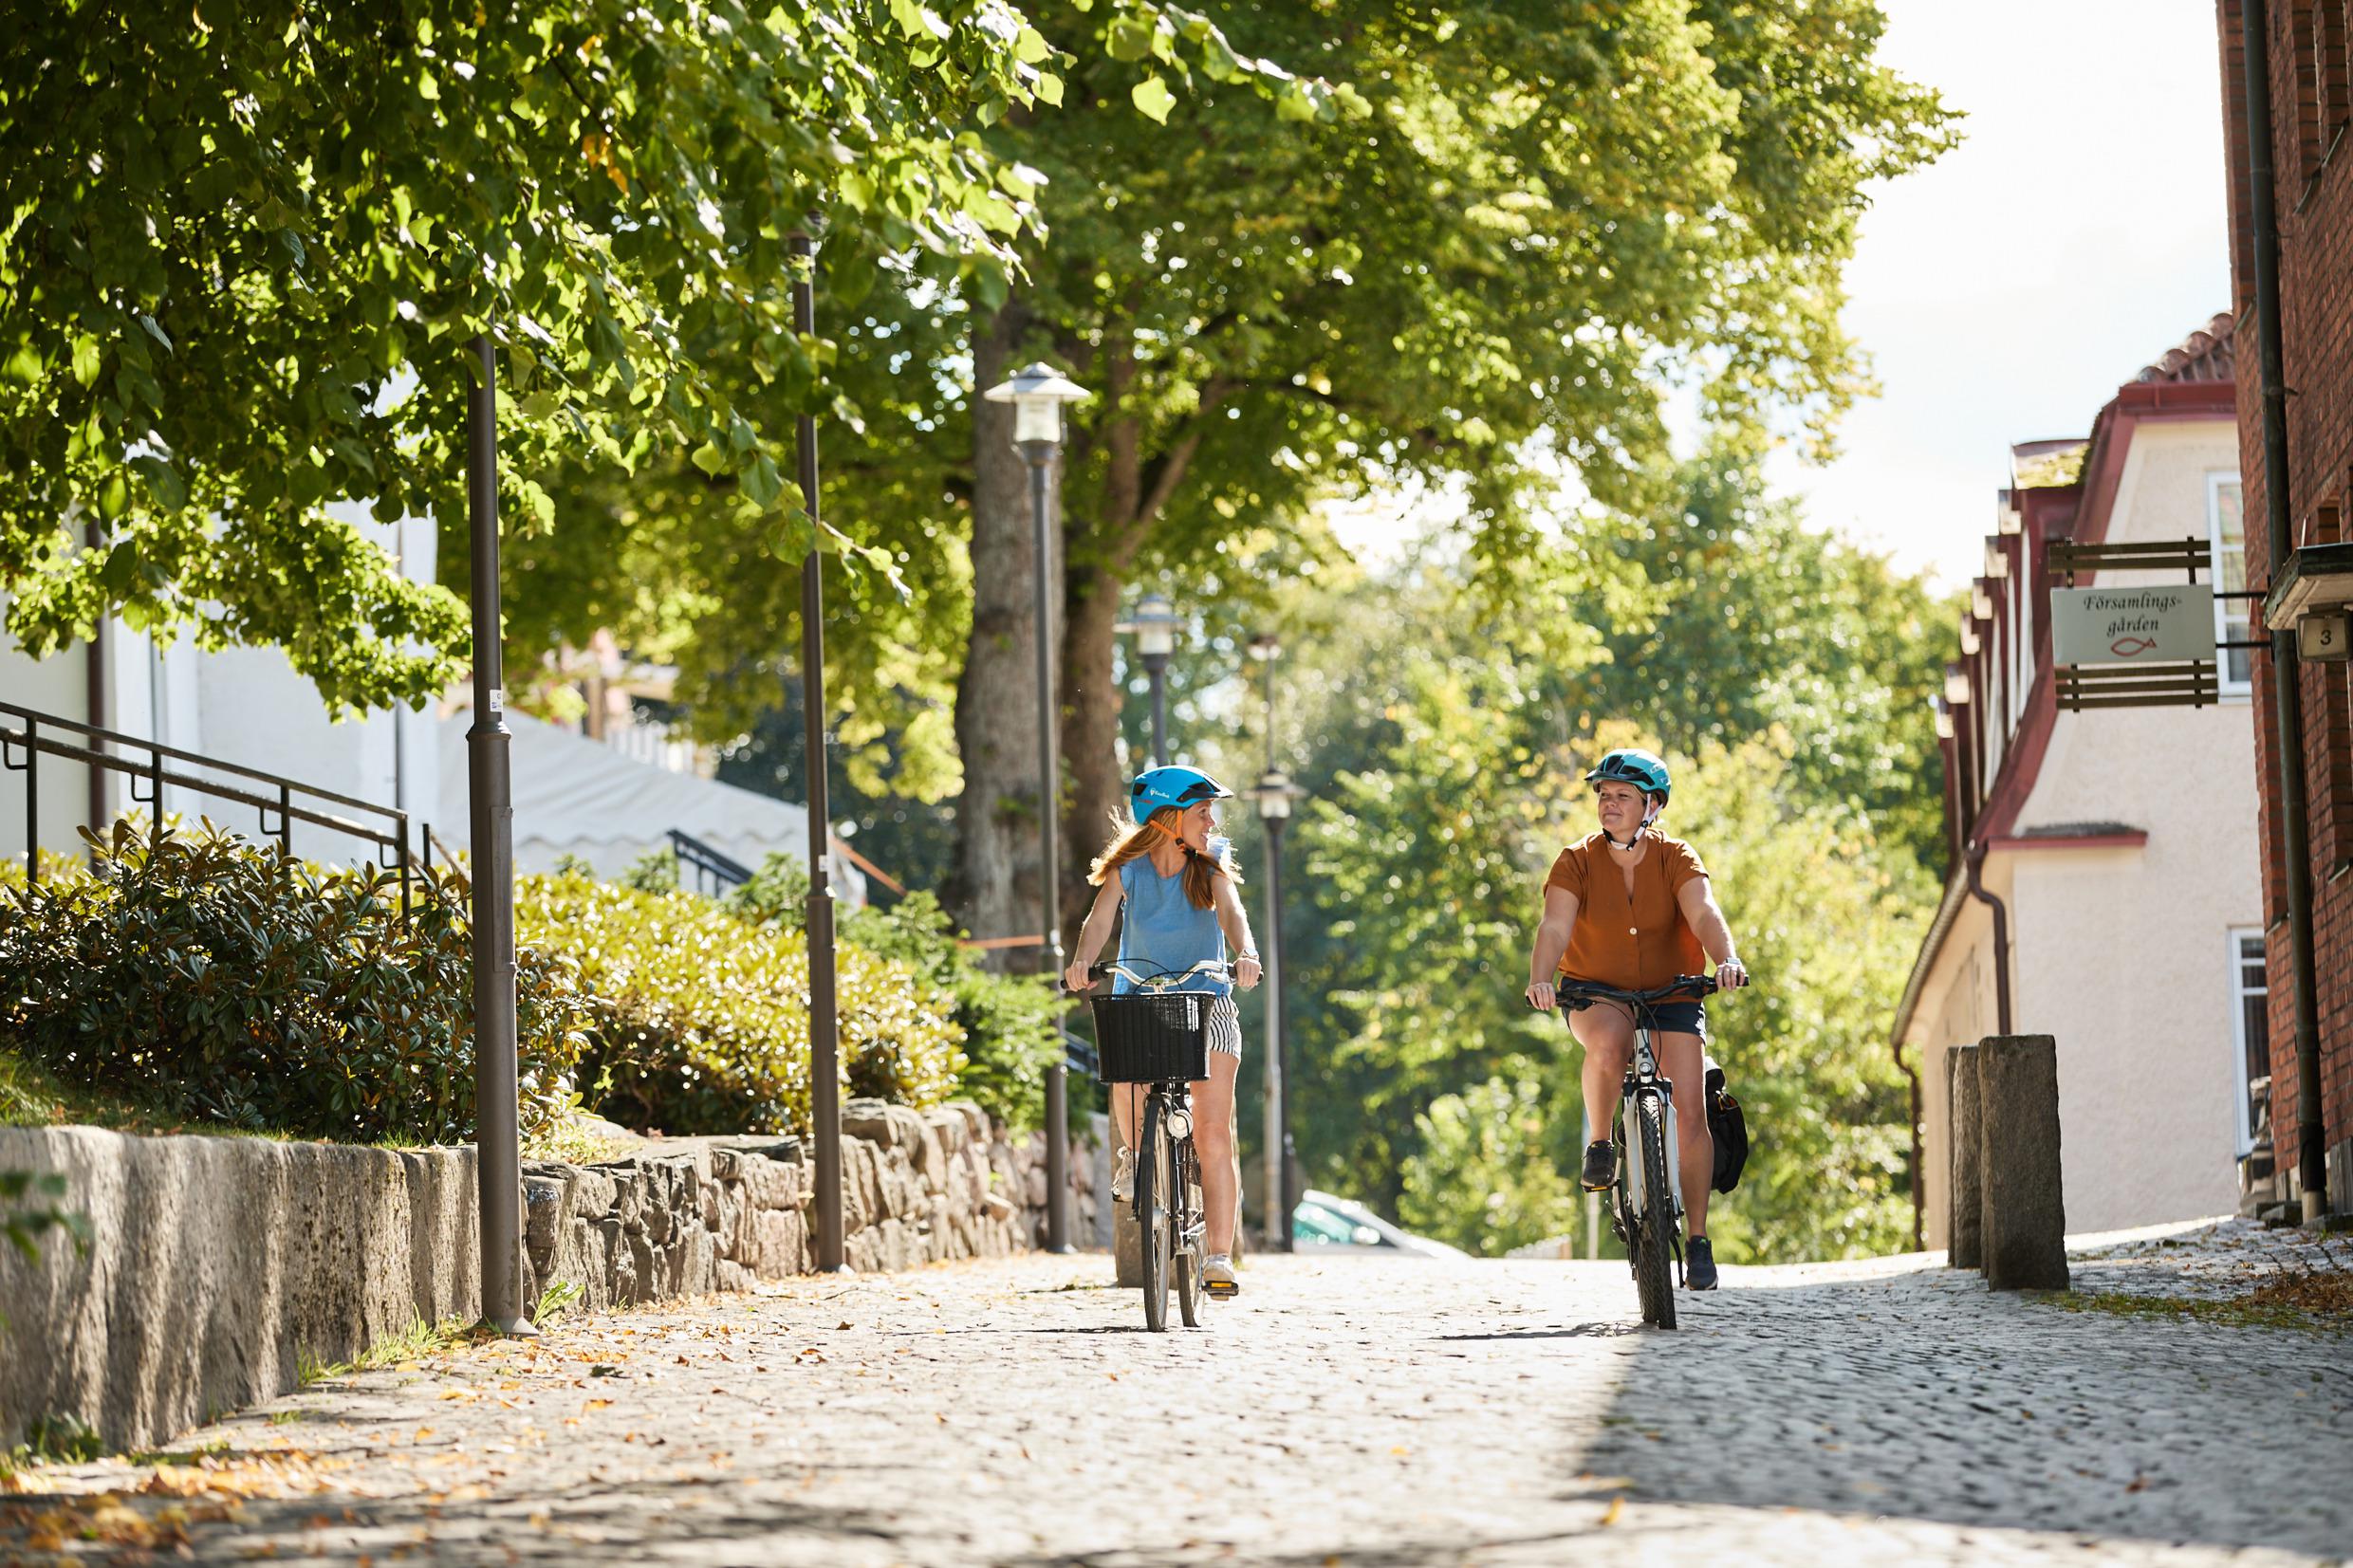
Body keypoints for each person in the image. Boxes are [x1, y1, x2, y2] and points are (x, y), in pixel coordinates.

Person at [1523, 747, 1748, 1291]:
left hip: (1672, 991)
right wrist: (1541, 975)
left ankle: (1697, 1240)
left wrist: (1728, 960)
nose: (1609, 804)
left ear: (1652, 805)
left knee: (1690, 1105)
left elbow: (1703, 912)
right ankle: (1601, 1143)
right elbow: (1555, 926)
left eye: (1622, 796)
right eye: (1603, 795)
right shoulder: (1575, 860)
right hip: (1598, 992)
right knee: (1606, 1045)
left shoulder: (1676, 856)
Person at [1065, 766, 1263, 1298]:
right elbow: (1100, 920)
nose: (1212, 821)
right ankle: (1137, 1159)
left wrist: (1245, 953)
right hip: (1142, 997)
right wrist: (1084, 961)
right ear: (1169, 818)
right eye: (1203, 812)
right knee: (1127, 1082)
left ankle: (1218, 1258)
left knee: (1211, 1133)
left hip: (1208, 999)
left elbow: (1232, 912)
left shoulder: (1211, 861)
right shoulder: (1128, 867)